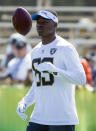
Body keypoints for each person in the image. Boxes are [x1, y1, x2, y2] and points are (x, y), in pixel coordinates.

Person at [17, 10, 86, 131]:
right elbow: (38, 83)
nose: (40, 25)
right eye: (38, 22)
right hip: (38, 117)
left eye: (44, 22)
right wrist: (25, 102)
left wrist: (55, 71)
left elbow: (81, 78)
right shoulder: (35, 51)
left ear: (55, 24)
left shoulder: (66, 48)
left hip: (61, 118)